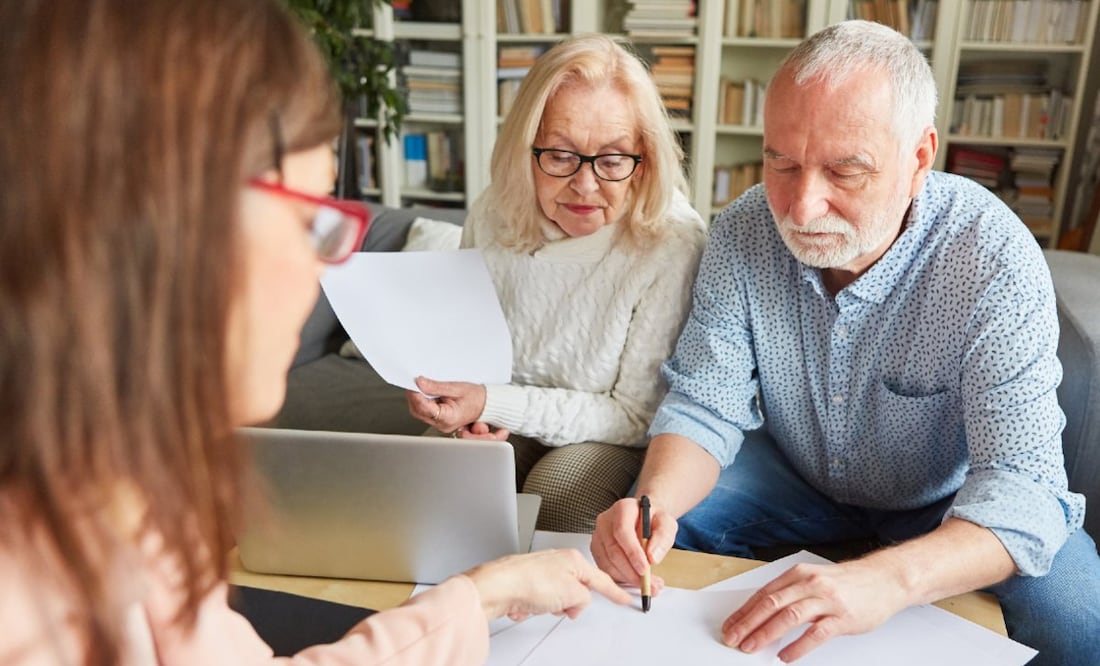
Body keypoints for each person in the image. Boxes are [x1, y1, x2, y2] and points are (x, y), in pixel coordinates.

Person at [0, 1, 631, 664]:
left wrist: (480, 595)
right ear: (163, 224)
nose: (325, 266)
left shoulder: (115, 510)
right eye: (310, 222)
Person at [590, 19, 1100, 665]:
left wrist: (886, 580)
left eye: (845, 171)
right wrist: (651, 502)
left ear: (919, 158)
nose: (801, 208)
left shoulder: (990, 257)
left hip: (948, 502)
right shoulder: (744, 229)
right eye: (782, 163)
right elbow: (704, 403)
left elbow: (1025, 487)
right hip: (790, 477)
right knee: (642, 542)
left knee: (1081, 621)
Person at [405, 34, 707, 533]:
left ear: (645, 159)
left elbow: (634, 416)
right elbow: (467, 346)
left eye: (612, 160)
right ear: (526, 149)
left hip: (607, 434)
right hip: (502, 410)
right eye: (561, 156)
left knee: (558, 500)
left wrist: (493, 401)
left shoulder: (672, 241)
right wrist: (462, 409)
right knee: (426, 477)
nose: (585, 186)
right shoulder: (494, 211)